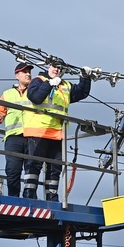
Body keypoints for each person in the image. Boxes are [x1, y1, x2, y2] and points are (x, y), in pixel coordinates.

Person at [22, 64, 92, 201]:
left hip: (57, 132)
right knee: (34, 164)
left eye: (59, 68)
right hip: (39, 130)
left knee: (55, 167)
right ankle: (29, 194)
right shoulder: (39, 80)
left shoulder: (65, 85)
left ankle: (52, 195)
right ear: (48, 67)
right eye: (54, 67)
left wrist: (85, 78)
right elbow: (35, 98)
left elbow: (81, 93)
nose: (56, 70)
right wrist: (49, 84)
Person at [0, 62, 34, 196]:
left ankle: (30, 197)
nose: (28, 74)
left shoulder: (36, 92)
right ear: (17, 76)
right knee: (12, 169)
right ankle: (14, 197)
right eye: (24, 72)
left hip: (33, 136)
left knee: (31, 170)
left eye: (29, 72)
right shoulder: (7, 94)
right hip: (13, 137)